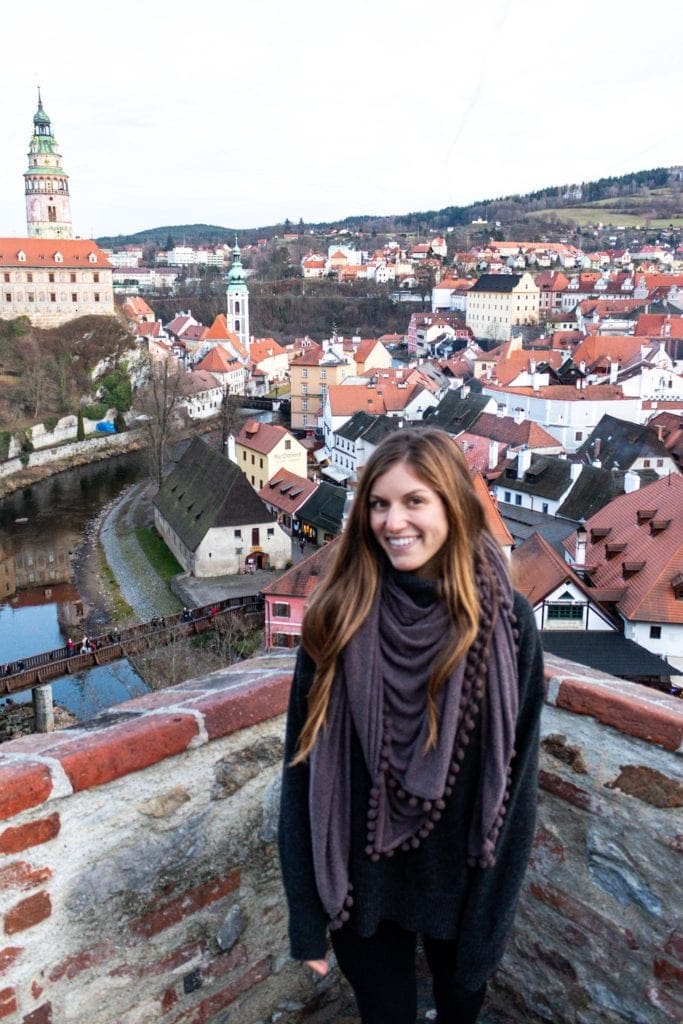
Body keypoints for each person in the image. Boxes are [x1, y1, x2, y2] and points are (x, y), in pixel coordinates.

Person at [278, 428, 545, 1024]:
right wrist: (306, 915)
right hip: (361, 881)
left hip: (463, 883)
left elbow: (518, 784)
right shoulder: (337, 613)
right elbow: (301, 771)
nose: (392, 521)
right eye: (379, 503)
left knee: (459, 1010)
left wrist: (489, 927)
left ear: (453, 505)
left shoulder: (507, 623)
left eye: (414, 501)